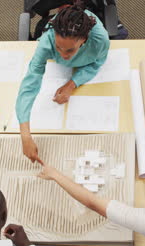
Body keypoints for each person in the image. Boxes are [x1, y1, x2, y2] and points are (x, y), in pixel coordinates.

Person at [16, 0, 110, 164]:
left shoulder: (100, 40)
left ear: (84, 39)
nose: (63, 55)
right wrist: (25, 135)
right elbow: (30, 82)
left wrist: (72, 83)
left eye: (70, 50)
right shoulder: (47, 41)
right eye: (58, 47)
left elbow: (96, 63)